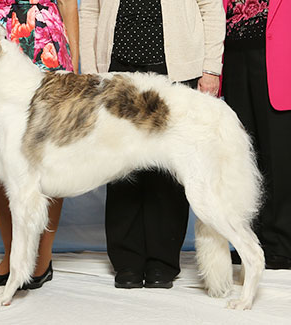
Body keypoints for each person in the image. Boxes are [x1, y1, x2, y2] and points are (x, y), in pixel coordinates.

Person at [80, 0, 225, 288]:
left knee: (168, 170)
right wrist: (92, 70)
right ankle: (127, 262)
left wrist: (211, 67)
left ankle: (163, 262)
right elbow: (90, 11)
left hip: (174, 68)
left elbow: (210, 6)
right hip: (118, 72)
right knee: (121, 169)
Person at [0, 0, 79, 289]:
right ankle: (13, 257)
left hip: (45, 38)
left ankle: (41, 259)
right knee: (3, 155)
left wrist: (74, 57)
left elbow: (68, 4)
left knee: (49, 154)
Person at [222, 0, 291, 269]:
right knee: (247, 156)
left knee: (279, 154)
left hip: (278, 56)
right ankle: (253, 242)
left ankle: (282, 244)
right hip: (235, 54)